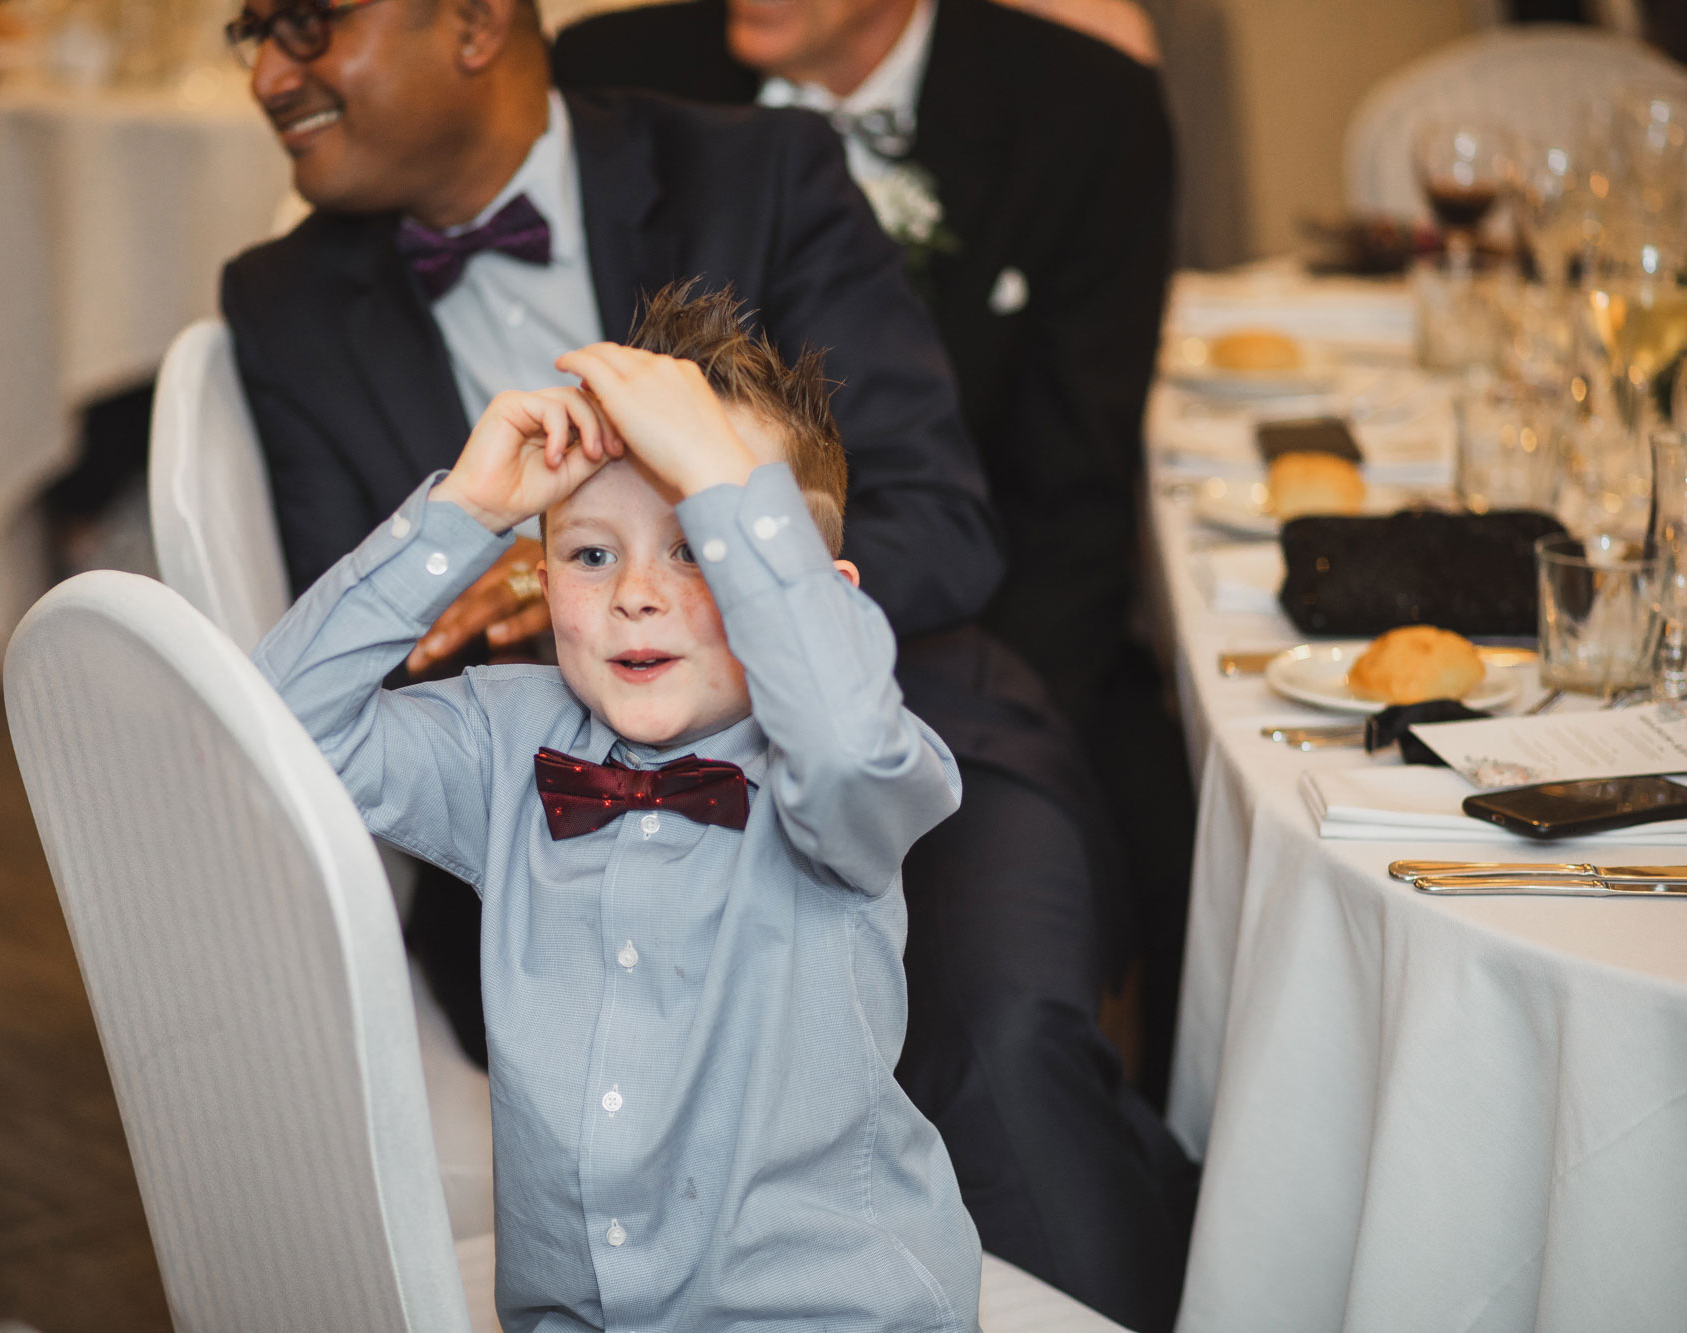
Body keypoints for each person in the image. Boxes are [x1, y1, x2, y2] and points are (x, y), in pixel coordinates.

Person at [221, 0, 1195, 1325]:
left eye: (311, 22)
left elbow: (935, 518)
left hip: (887, 687)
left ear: (473, 22)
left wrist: (739, 526)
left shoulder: (758, 168)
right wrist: (464, 525)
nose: (270, 72)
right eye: (250, 32)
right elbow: (294, 720)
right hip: (542, 779)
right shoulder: (278, 301)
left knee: (1007, 1044)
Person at [253, 285, 984, 1331]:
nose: (635, 593)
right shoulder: (505, 741)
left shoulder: (835, 765)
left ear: (819, 593)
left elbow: (848, 738)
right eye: (591, 554)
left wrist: (728, 485)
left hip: (827, 1312)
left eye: (698, 548)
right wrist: (461, 515)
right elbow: (271, 732)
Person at [551, 0, 1199, 1107]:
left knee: (1147, 879)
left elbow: (1073, 497)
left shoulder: (1088, 107)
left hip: (979, 629)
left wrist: (936, 721)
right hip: (674, 660)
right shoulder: (610, 72)